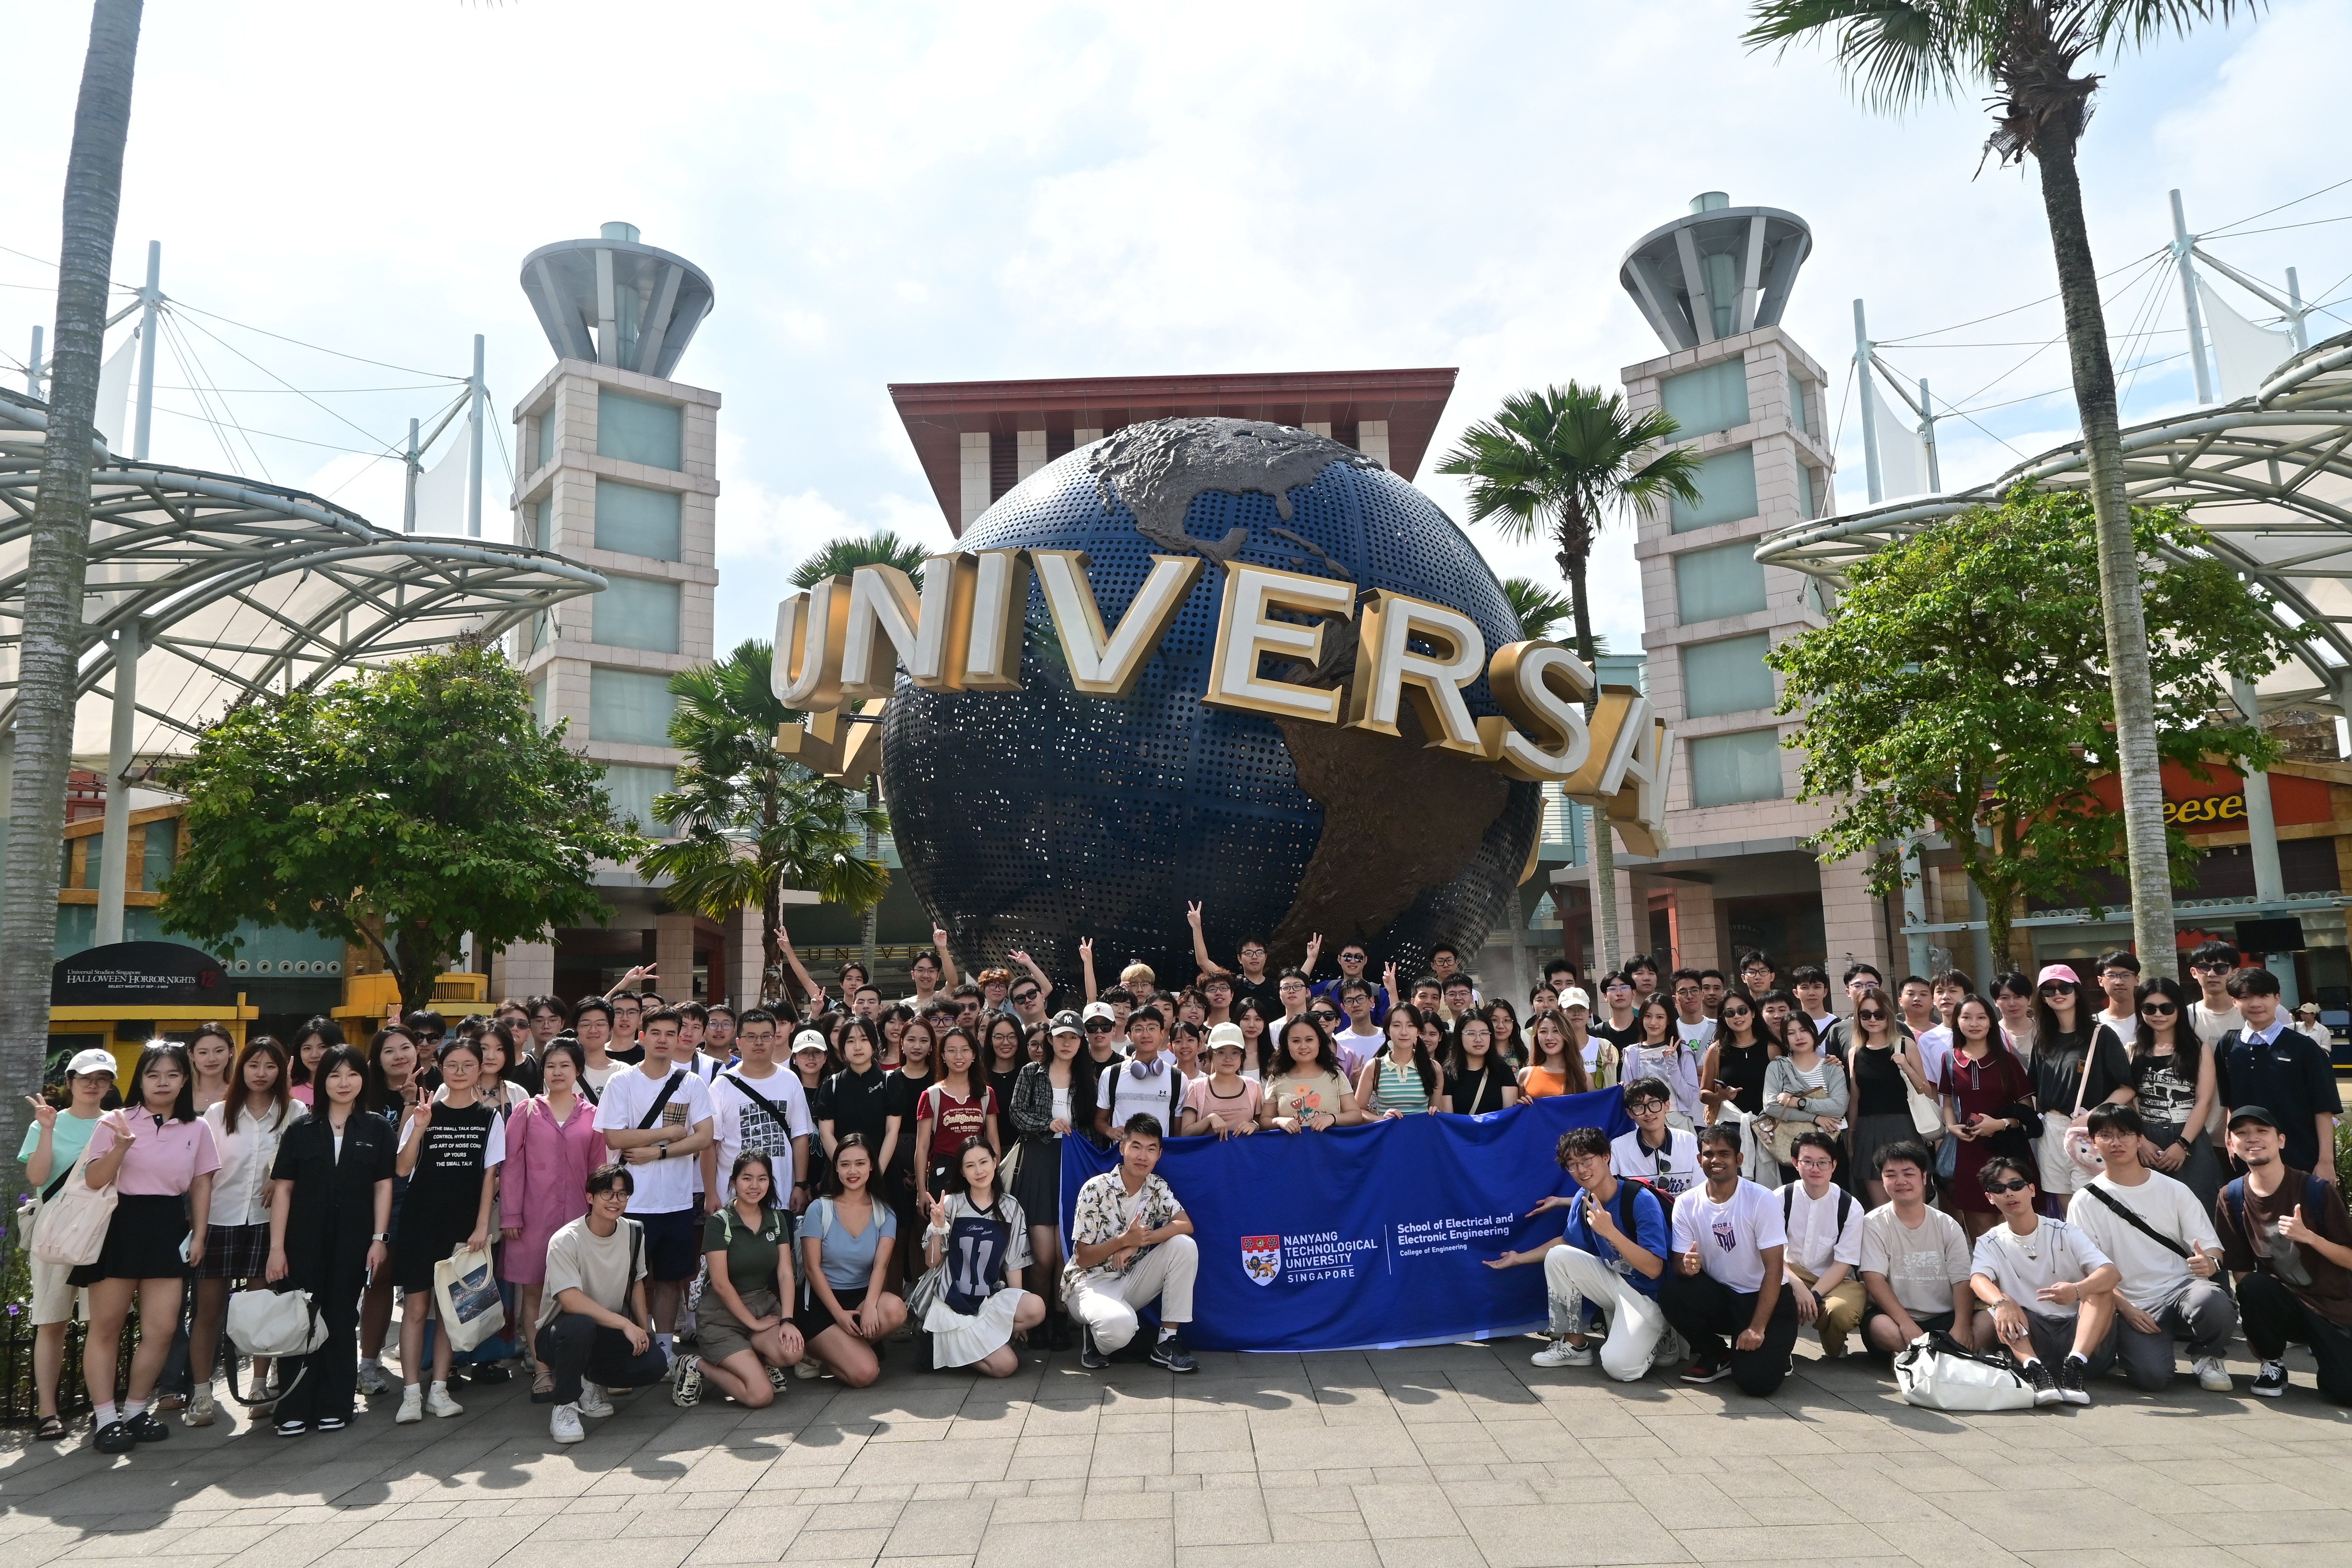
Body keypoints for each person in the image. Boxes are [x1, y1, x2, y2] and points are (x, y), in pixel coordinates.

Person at [72, 1043, 217, 1454]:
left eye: (172, 1074)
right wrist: (121, 1145)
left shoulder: (198, 1128)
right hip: (119, 1224)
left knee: (161, 1328)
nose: (163, 1082)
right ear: (140, 1079)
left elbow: (203, 1183)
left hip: (169, 1226)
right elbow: (95, 1179)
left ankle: (136, 1410)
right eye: (153, 1075)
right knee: (107, 1326)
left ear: (185, 1079)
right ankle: (105, 1417)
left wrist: (201, 1235)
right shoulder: (114, 1121)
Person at [263, 1043, 396, 1436]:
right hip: (302, 1239)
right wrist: (276, 1248)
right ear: (322, 1081)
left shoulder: (376, 1127)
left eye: (352, 1074)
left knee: (340, 1317)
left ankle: (335, 1403)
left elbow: (383, 1187)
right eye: (335, 1075)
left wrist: (379, 1239)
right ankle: (292, 1407)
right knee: (301, 1317)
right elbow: (283, 1190)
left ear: (363, 1080)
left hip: (355, 1240)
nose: (343, 1082)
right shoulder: (302, 1128)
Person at [2070, 1103, 2235, 1393]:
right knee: (2152, 1379)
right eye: (2106, 1135)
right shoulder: (2084, 1201)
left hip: (2181, 1288)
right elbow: (2089, 1270)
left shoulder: (2174, 1190)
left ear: (2139, 1138)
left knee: (2213, 1300)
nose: (2116, 1143)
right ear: (2093, 1142)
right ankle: (2130, 1346)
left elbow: (2212, 1249)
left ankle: (2207, 1356)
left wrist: (2209, 1264)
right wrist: (2125, 1308)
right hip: (2131, 1301)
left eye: (2125, 1134)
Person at [1493, 1126, 1670, 1380]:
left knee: (1620, 1369)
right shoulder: (1582, 1198)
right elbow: (1566, 1243)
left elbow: (1655, 1269)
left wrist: (1611, 1232)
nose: (1581, 1170)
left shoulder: (1640, 1200)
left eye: (1587, 1160)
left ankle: (1661, 1333)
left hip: (1648, 1297)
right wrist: (1518, 1258)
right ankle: (1575, 1345)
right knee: (1559, 1255)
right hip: (1614, 1283)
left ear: (1606, 1156)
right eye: (1572, 1165)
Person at [391, 1034, 506, 1422]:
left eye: (468, 1065)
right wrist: (420, 1126)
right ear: (441, 1067)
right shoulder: (425, 1112)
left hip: (463, 1227)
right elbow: (402, 1168)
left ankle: (439, 1389)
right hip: (420, 1221)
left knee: (450, 1311)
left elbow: (491, 1177)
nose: (460, 1072)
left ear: (480, 1068)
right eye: (452, 1065)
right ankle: (410, 1392)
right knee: (416, 1307)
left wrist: (480, 1228)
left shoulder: (491, 1117)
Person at [593, 1007, 717, 1364]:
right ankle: (631, 1346)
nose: (663, 1040)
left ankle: (664, 1351)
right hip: (630, 1205)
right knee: (630, 1282)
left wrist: (657, 1153)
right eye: (656, 1033)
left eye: (670, 1033)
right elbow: (615, 1137)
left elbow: (705, 1137)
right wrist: (666, 1133)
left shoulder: (691, 1083)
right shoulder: (622, 1082)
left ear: (680, 1037)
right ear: (642, 1037)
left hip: (676, 1201)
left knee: (669, 1280)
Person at [2213, 1105, 2352, 1403]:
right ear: (2232, 1145)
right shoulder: (2232, 1195)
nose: (2252, 1139)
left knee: (2344, 1392)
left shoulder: (2315, 1190)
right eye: (2241, 1133)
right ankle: (2273, 1363)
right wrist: (2256, 1332)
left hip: (2334, 1309)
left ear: (2281, 1141)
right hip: (2283, 1303)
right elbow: (2240, 1269)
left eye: (2262, 1131)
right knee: (2253, 1285)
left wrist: (2310, 1238)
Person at [189, 1034, 293, 1427]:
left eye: (271, 1066)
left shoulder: (294, 1111)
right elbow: (201, 1175)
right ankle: (201, 1394)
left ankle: (260, 1386)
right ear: (242, 1068)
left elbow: (299, 1166)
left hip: (268, 1224)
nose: (262, 1073)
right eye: (254, 1065)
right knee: (208, 1311)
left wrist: (282, 1179)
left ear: (282, 1070)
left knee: (260, 1310)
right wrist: (198, 1232)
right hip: (219, 1219)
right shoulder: (217, 1114)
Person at [18, 1048, 117, 1441]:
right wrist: (45, 1129)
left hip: (102, 1231)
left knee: (102, 1324)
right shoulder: (49, 1122)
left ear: (110, 1085)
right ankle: (47, 1411)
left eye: (102, 1079)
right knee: (52, 1321)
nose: (93, 1085)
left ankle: (102, 1407)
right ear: (70, 1082)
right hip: (55, 1231)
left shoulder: (119, 1124)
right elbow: (37, 1177)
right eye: (85, 1078)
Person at [1967, 1154, 2120, 1406]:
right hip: (2035, 1336)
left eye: (2016, 1185)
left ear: (2031, 1189)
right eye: (1998, 1188)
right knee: (2000, 1304)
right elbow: (1978, 1280)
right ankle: (2034, 1370)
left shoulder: (2065, 1231)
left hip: (2082, 1336)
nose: (2009, 1193)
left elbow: (2111, 1273)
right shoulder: (1990, 1241)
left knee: (2099, 1290)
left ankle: (2075, 1367)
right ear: (1990, 1198)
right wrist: (2001, 1302)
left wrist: (2077, 1290)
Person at [498, 1038, 604, 1400]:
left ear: (578, 1071)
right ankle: (542, 1370)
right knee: (533, 1291)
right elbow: (511, 1166)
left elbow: (599, 1171)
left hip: (578, 1220)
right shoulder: (526, 1111)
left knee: (577, 1292)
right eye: (550, 1066)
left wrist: (599, 1218)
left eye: (565, 1066)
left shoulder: (592, 1115)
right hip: (531, 1217)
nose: (557, 1073)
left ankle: (580, 1369)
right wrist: (510, 1213)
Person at [537, 1164, 672, 1443]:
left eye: (622, 1195)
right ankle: (564, 1407)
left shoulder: (634, 1232)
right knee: (580, 1326)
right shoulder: (565, 1240)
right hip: (559, 1333)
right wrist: (625, 1324)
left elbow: (637, 1282)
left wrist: (642, 1328)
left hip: (607, 1329)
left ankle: (590, 1381)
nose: (615, 1201)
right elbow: (570, 1301)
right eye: (607, 1194)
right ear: (590, 1197)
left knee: (655, 1364)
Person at [1658, 1124, 1797, 1392]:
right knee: (1672, 1291)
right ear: (1700, 1160)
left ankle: (1776, 1350)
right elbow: (1679, 1263)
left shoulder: (1761, 1199)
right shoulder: (1686, 1203)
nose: (1716, 1161)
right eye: (1709, 1154)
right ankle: (1718, 1354)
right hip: (1724, 1296)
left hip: (1766, 1299)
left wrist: (1757, 1328)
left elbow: (1775, 1268)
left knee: (1756, 1385)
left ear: (1739, 1159)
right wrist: (1686, 1267)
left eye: (1724, 1154)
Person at [1064, 1114, 1200, 1371]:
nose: (1143, 1156)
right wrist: (1123, 1241)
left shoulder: (1156, 1186)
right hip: (1090, 1284)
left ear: (1160, 1154)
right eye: (1136, 1146)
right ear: (1122, 1147)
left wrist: (1140, 1241)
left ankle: (1166, 1343)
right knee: (1120, 1330)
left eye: (1151, 1149)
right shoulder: (1095, 1189)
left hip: (1130, 1280)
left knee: (1184, 1245)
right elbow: (1082, 1258)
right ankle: (1095, 1335)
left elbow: (1186, 1225)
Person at [675, 1152, 804, 1408]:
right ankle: (695, 1364)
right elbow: (721, 1284)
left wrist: (787, 1320)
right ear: (734, 1181)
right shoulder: (720, 1222)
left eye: (762, 1179)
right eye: (747, 1179)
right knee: (760, 1396)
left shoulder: (777, 1219)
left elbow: (786, 1273)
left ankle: (756, 1363)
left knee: (793, 1351)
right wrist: (754, 1324)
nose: (755, 1186)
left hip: (762, 1306)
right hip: (721, 1317)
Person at [916, 1138, 1045, 1375]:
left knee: (1035, 1307)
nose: (979, 1171)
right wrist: (937, 1228)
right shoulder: (952, 1204)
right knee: (1006, 1367)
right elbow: (932, 1262)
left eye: (984, 1162)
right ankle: (940, 1342)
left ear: (996, 1162)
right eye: (970, 1166)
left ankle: (955, 1349)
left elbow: (1013, 1264)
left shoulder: (1011, 1207)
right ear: (962, 1173)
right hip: (952, 1304)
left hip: (987, 1301)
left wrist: (1012, 1313)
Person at [796, 1135, 908, 1386]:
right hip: (820, 1302)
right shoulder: (820, 1209)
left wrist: (869, 1306)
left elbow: (881, 1265)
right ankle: (814, 1352)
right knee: (865, 1374)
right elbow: (812, 1269)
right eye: (845, 1164)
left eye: (860, 1163)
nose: (852, 1171)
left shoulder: (884, 1213)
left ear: (872, 1166)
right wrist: (838, 1314)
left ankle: (843, 1350)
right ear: (836, 1168)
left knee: (896, 1309)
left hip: (859, 1297)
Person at [2213, 968, 2342, 1183]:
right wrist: (2231, 1141)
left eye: (2264, 996)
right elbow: (2231, 1103)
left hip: (2301, 1158)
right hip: (2250, 1157)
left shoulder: (2304, 1048)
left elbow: (2323, 1108)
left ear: (2277, 999)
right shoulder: (2228, 1045)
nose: (2256, 1004)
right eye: (2246, 997)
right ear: (2234, 1001)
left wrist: (2326, 1161)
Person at [2028, 964, 2136, 1209]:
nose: (2058, 994)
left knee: (2092, 1203)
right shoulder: (2043, 1039)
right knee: (2068, 1209)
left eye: (2065, 987)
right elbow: (2034, 1088)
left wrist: (2093, 1115)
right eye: (2048, 990)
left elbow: (2127, 1087)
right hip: (2051, 1129)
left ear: (2077, 992)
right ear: (2042, 999)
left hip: (2087, 1128)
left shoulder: (2101, 1034)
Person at [355, 1024, 423, 1395]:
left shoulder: (440, 1088)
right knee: (378, 1280)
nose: (400, 1056)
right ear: (376, 1060)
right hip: (379, 1195)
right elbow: (395, 1159)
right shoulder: (365, 1097)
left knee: (421, 1283)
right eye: (389, 1050)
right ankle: (368, 1363)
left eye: (406, 1047)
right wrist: (409, 1104)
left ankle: (430, 1359)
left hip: (424, 1195)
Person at [1859, 1140, 1976, 1354]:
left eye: (1908, 1174)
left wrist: (1962, 1325)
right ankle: (1948, 1354)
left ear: (1924, 1177)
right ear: (1882, 1180)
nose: (1900, 1181)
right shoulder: (1873, 1223)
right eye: (1891, 1175)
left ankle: (1923, 1355)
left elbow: (1962, 1280)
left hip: (1945, 1316)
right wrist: (1905, 1323)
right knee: (1882, 1329)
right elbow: (1873, 1279)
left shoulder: (1947, 1224)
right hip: (1897, 1317)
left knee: (1988, 1321)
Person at [1940, 996, 2038, 1238]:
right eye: (1967, 1017)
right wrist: (1952, 1127)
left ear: (1991, 1022)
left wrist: (2002, 1124)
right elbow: (1948, 1103)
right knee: (1980, 1228)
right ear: (1957, 1022)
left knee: (2012, 1222)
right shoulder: (1950, 1059)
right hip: (1969, 1150)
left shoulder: (2007, 1061)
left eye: (1981, 1017)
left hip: (2007, 1150)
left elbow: (2027, 1111)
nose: (1975, 1023)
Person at [2125, 977, 2223, 1212]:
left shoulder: (2199, 1050)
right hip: (2146, 1138)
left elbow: (2204, 1101)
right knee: (2152, 1212)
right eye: (2149, 1008)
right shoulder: (2132, 1051)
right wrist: (2141, 1142)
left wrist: (2183, 1144)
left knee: (2200, 1208)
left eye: (2166, 1008)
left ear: (2179, 1009)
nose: (2158, 1015)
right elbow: (2128, 1101)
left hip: (2190, 1137)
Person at [712, 1010, 815, 1215]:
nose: (759, 1043)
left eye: (766, 1036)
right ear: (739, 1043)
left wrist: (800, 1185)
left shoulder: (790, 1080)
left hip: (782, 1195)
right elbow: (710, 1144)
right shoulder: (721, 1085)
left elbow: (800, 1136)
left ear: (775, 1040)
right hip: (734, 1199)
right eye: (751, 1037)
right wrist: (711, 1192)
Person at [1776, 1130, 1865, 1358]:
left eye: (1823, 1163)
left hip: (1835, 1279)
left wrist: (1813, 1296)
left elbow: (1843, 1263)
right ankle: (1778, 1348)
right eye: (1808, 1162)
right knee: (1768, 1300)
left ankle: (1834, 1346)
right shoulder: (1780, 1198)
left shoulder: (1850, 1206)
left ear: (1834, 1165)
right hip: (1788, 1272)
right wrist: (1798, 1288)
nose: (1815, 1169)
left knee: (1840, 1312)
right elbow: (1772, 1254)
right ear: (1795, 1163)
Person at [1846, 985, 1936, 1205]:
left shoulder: (1905, 1045)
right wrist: (1851, 1135)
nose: (1873, 1020)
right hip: (1868, 1131)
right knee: (1882, 1210)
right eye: (1865, 1015)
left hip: (1905, 1126)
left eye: (1879, 1014)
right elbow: (1855, 1098)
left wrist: (1906, 1066)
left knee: (1914, 1203)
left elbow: (1927, 1090)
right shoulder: (1855, 1052)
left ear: (1888, 1014)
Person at [914, 1026, 1002, 1208]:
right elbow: (922, 1147)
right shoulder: (932, 1095)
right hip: (944, 1170)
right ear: (943, 1056)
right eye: (951, 1051)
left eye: (965, 1050)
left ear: (974, 1054)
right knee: (943, 1229)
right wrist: (922, 1191)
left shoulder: (987, 1094)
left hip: (979, 1170)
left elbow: (993, 1140)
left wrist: (993, 1173)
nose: (959, 1056)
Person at [1756, 1014, 1846, 1180]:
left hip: (1829, 1145)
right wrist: (1816, 1118)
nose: (1799, 1037)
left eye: (1804, 1030)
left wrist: (1799, 1102)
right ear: (1785, 1039)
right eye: (1791, 1033)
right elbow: (1772, 1106)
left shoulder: (1832, 1067)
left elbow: (1839, 1106)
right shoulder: (1778, 1067)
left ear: (1814, 1032)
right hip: (1792, 1147)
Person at [1098, 1006, 1184, 1139]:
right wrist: (1109, 1131)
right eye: (1138, 1029)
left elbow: (1178, 1132)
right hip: (1121, 1156)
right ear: (1130, 1036)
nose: (1146, 1035)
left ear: (1162, 1034)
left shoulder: (1178, 1079)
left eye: (1152, 1028)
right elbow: (1099, 1121)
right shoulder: (1111, 1074)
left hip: (1160, 1156)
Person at [1612, 1077, 1704, 1201]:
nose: (1648, 1113)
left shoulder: (1688, 1141)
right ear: (1630, 1113)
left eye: (1654, 1104)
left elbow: (1700, 1193)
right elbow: (1615, 1195)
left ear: (1667, 1106)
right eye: (1639, 1107)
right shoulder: (1618, 1148)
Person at [1622, 997, 1704, 1127]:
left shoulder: (1683, 1051)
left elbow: (1690, 1098)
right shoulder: (1631, 1053)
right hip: (1644, 1123)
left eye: (1660, 1017)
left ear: (1669, 1020)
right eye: (1648, 1016)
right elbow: (1629, 1097)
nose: (1653, 1022)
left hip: (1677, 1122)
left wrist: (1672, 1066)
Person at [1700, 992, 1776, 1126]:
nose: (1737, 1017)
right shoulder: (1716, 1050)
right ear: (1724, 1018)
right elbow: (1704, 1094)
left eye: (1742, 1011)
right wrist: (1721, 1096)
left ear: (1753, 1013)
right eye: (1730, 1013)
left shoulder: (1772, 1048)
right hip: (1730, 1125)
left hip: (1769, 1125)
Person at [1358, 1002, 1440, 1117]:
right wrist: (1381, 1119)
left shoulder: (1434, 1068)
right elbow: (1358, 1111)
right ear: (1388, 1030)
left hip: (1421, 1133)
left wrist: (1435, 1112)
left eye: (1410, 1026)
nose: (1404, 1032)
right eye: (1397, 1026)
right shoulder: (1374, 1066)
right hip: (1387, 1134)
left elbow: (1436, 1110)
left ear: (1418, 1031)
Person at [1183, 1024, 1263, 1137]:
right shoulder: (1197, 1087)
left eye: (1235, 1053)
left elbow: (1262, 1123)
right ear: (1211, 1055)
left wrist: (1254, 1125)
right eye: (1221, 1052)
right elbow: (1186, 1133)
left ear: (1242, 1056)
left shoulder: (1253, 1086)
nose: (1228, 1059)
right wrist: (1209, 1119)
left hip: (1243, 1154)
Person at [1442, 1012, 1520, 1116]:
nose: (1478, 1039)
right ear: (1459, 1037)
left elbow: (1509, 1116)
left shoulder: (1504, 1071)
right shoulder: (1448, 1075)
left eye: (1484, 1033)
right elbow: (1449, 1120)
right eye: (1471, 1033)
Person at [1519, 1010, 1592, 1101]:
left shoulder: (1584, 1078)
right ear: (1537, 1037)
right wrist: (1521, 1105)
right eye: (1543, 1032)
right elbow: (1516, 1111)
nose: (1549, 1037)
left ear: (1566, 1035)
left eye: (1556, 1031)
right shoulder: (1525, 1074)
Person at [1331, 979, 1388, 1074]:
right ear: (1343, 1008)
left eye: (1361, 999)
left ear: (1371, 1002)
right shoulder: (1338, 1043)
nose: (1356, 1005)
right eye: (1349, 1001)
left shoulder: (1387, 1037)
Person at [287, 1018, 343, 1108]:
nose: (314, 1055)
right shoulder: (289, 1089)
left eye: (323, 1047)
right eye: (307, 1048)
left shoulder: (346, 1088)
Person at [187, 1024, 237, 1116]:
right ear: (192, 1055)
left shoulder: (239, 1094)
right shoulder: (179, 1094)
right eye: (203, 1053)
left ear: (231, 1052)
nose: (212, 1059)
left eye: (219, 1051)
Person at [2093, 948, 2142, 1037]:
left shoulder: (2151, 1020)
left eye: (2126, 975)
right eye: (2111, 976)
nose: (2119, 982)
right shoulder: (2093, 1024)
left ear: (2137, 980)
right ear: (2100, 981)